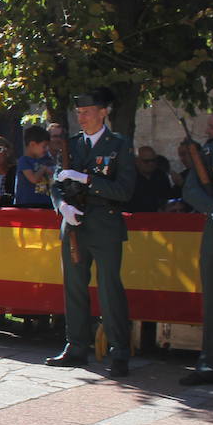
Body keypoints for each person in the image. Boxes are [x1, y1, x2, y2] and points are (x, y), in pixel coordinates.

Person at [47, 88, 137, 378]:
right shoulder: (71, 145)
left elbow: (124, 190)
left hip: (105, 223)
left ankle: (119, 351)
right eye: (78, 114)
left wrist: (87, 180)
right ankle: (76, 347)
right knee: (74, 287)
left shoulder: (119, 145)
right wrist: (62, 207)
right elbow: (56, 184)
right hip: (74, 224)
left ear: (103, 112)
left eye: (87, 112)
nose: (82, 118)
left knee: (110, 289)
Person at [179, 107, 213, 385]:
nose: (207, 131)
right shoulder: (205, 153)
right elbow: (191, 190)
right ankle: (210, 362)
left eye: (212, 127)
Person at [14, 125, 55, 208]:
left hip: (45, 203)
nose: (46, 149)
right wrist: (43, 169)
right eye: (44, 146)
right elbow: (33, 179)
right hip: (27, 204)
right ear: (32, 144)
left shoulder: (46, 160)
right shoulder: (24, 161)